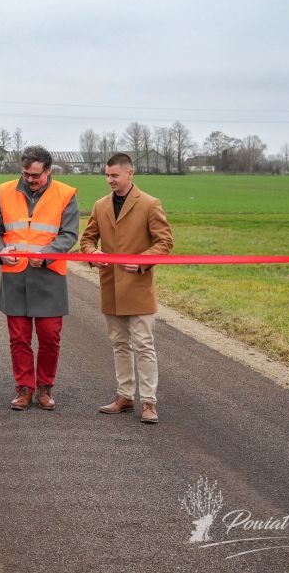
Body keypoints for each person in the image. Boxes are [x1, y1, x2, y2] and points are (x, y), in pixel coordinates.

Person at [80, 153, 173, 424]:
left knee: (144, 345)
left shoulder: (149, 204)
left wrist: (142, 261)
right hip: (110, 287)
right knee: (119, 344)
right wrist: (93, 254)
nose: (110, 180)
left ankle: (149, 403)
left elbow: (165, 243)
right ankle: (124, 396)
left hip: (138, 287)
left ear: (130, 173)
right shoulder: (100, 206)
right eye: (107, 175)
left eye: (114, 175)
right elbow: (87, 240)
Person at [0, 145, 78, 411]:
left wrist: (47, 254)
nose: (29, 179)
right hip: (15, 277)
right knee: (19, 338)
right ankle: (24, 388)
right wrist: (0, 251)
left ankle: (45, 387)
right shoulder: (5, 191)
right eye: (25, 174)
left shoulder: (66, 194)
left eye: (35, 175)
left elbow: (68, 235)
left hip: (49, 276)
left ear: (48, 171)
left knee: (50, 337)